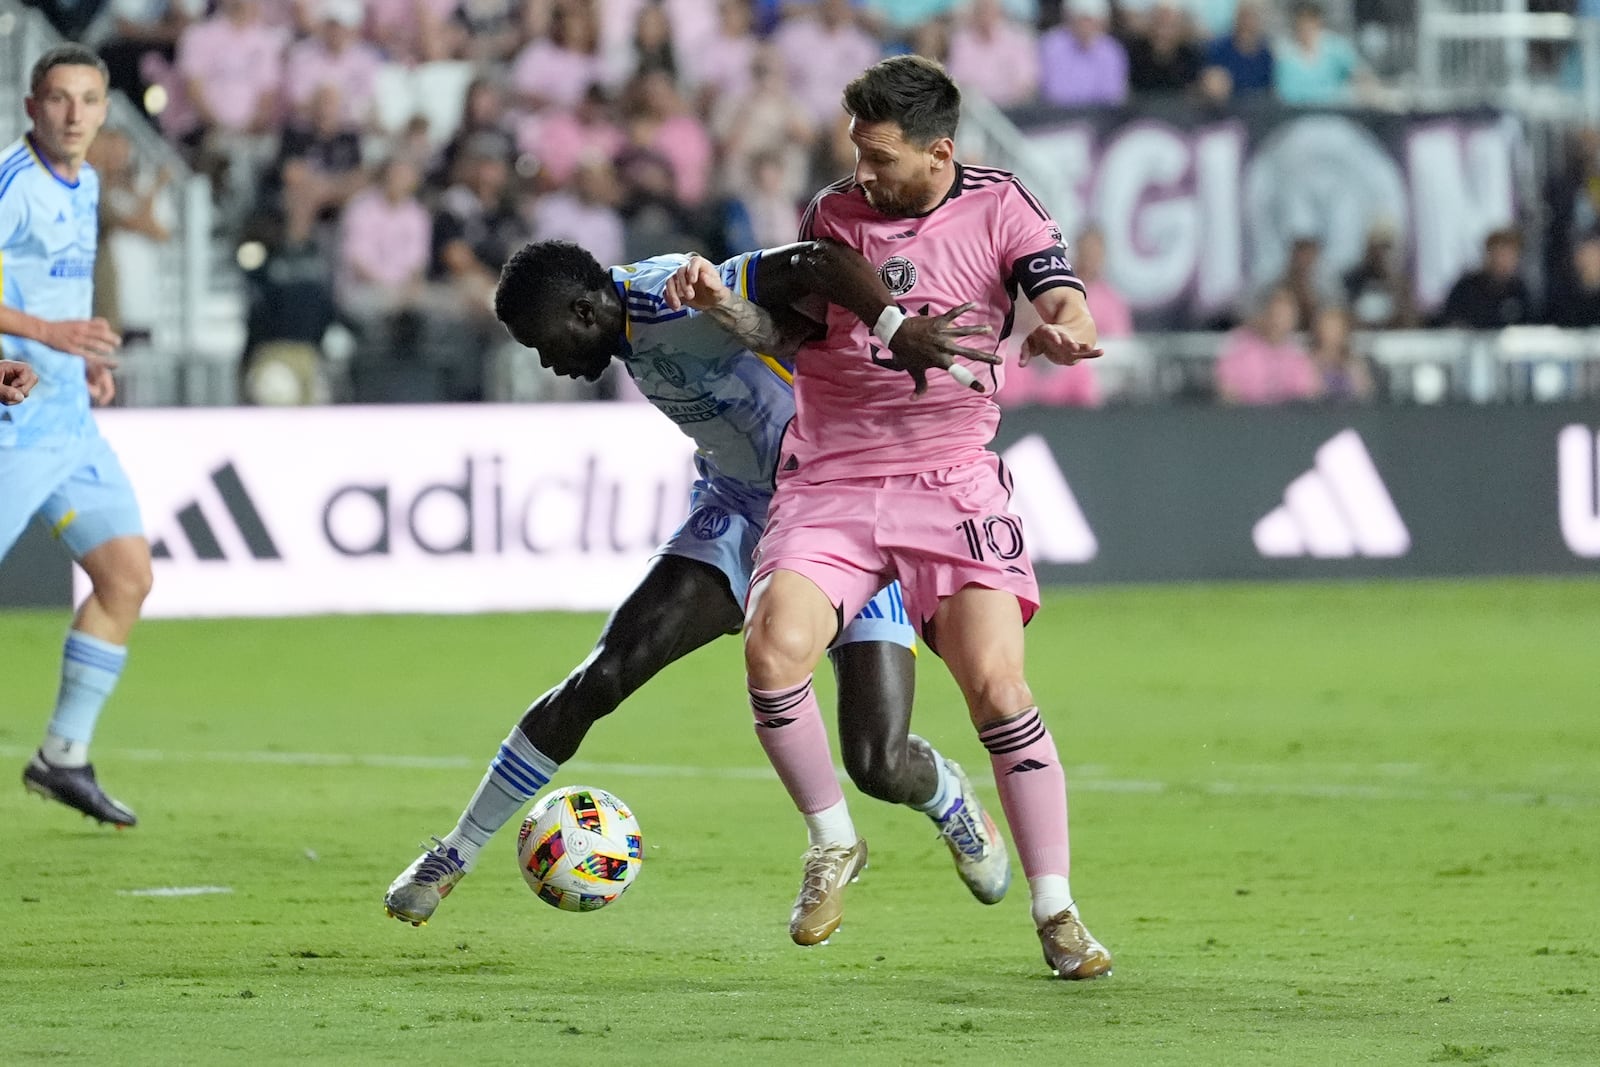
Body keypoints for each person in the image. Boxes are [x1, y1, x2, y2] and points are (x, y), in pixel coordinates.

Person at [383, 237, 1010, 926]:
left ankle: (947, 795)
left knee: (878, 762)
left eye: (545, 342)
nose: (548, 363)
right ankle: (453, 853)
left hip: (846, 511)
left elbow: (815, 262)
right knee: (604, 673)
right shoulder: (617, 320)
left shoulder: (670, 298)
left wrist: (894, 325)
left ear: (584, 309)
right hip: (739, 515)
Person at [704, 54, 1114, 978]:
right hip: (836, 477)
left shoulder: (1004, 204)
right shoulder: (832, 212)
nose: (862, 172)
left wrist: (1064, 325)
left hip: (951, 478)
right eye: (856, 150)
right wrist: (738, 317)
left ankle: (1058, 914)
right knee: (771, 650)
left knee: (999, 691)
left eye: (881, 156)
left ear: (940, 152)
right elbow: (803, 330)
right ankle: (832, 842)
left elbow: (1057, 287)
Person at [0, 45, 151, 828]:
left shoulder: (86, 179)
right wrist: (43, 335)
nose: (73, 114)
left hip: (71, 420)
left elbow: (62, 278)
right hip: (13, 424)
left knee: (126, 578)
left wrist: (82, 358)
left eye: (88, 100)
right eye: (58, 98)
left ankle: (63, 755)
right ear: (32, 106)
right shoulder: (14, 184)